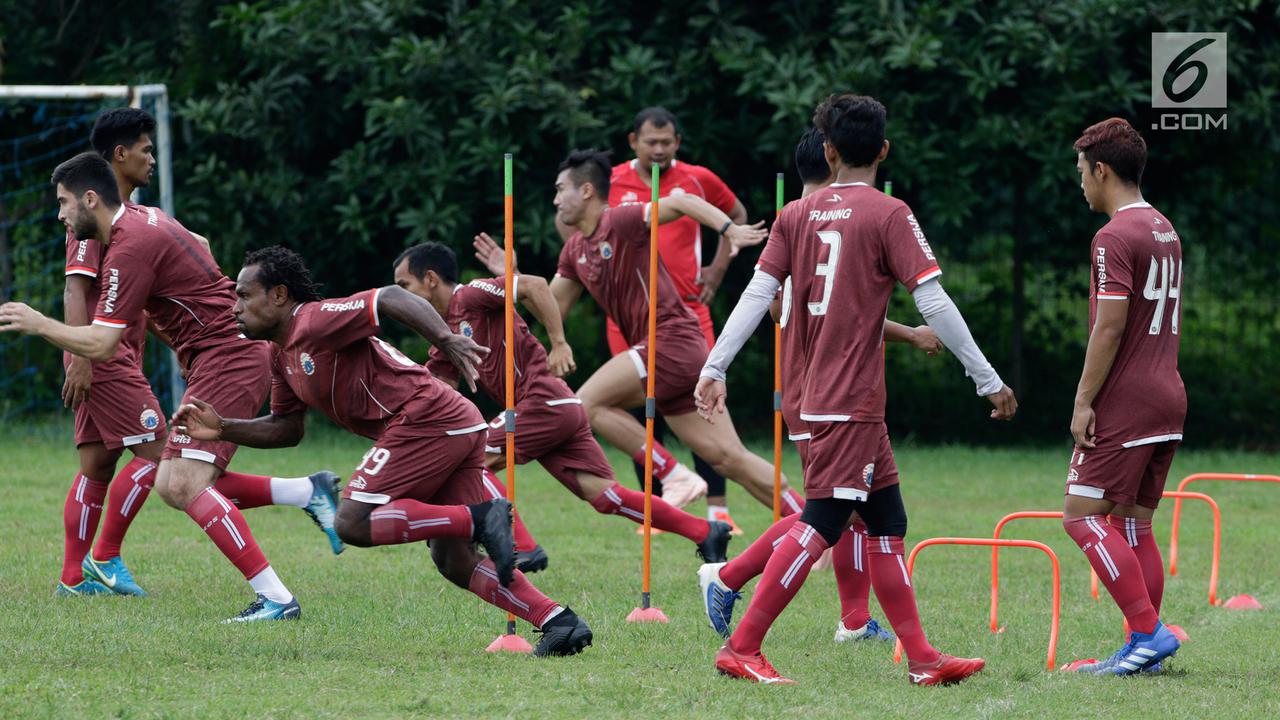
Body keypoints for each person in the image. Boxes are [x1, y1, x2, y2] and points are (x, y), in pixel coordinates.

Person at [695, 95, 1017, 685]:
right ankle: (741, 647)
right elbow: (932, 300)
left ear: (829, 151)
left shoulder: (795, 214)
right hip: (846, 400)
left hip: (834, 398)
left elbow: (758, 295)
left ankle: (922, 660)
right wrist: (985, 377)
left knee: (887, 523)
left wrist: (716, 366)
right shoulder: (890, 213)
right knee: (821, 522)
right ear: (884, 150)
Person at [172, 246, 593, 656]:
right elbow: (287, 428)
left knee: (352, 522)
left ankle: (480, 518)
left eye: (244, 296)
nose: (235, 308)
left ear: (279, 295)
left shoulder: (313, 319)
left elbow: (389, 297)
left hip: (426, 419)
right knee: (454, 560)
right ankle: (559, 622)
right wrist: (223, 428)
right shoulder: (279, 354)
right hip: (451, 422)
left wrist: (445, 339)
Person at [0, 152, 336, 621]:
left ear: (90, 198)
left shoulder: (128, 247)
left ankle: (277, 597)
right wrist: (194, 324)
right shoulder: (143, 219)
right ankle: (304, 497)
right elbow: (198, 243)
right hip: (219, 353)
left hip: (229, 356)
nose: (59, 215)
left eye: (62, 203)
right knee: (167, 478)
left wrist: (39, 324)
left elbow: (101, 343)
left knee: (179, 480)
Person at [698, 127, 944, 645]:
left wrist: (902, 334)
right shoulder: (807, 223)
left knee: (855, 510)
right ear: (835, 160)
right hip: (821, 393)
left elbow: (839, 313)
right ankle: (730, 579)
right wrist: (911, 334)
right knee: (829, 512)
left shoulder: (810, 218)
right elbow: (790, 309)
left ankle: (855, 621)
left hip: (826, 390)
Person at [475, 150, 804, 520]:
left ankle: (673, 475)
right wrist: (512, 278)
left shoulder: (620, 219)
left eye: (560, 190)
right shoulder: (574, 251)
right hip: (667, 355)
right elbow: (550, 308)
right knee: (730, 459)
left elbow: (684, 201)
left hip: (672, 341)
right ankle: (814, 526)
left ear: (586, 190)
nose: (555, 200)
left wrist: (730, 230)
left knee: (587, 404)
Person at [392, 242, 732, 572]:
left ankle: (523, 547)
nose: (401, 297)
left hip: (541, 401)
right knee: (605, 496)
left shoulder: (469, 295)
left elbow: (535, 286)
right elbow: (438, 389)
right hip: (559, 405)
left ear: (431, 279)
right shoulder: (446, 334)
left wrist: (559, 343)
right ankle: (706, 532)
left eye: (404, 286)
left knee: (472, 462)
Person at [1060, 118, 1183, 675]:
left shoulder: (1112, 236)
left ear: (1102, 170)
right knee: (1133, 524)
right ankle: (1142, 647)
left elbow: (1109, 327)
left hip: (1128, 399)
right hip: (1168, 394)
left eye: (1082, 172)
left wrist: (1084, 401)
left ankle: (1147, 632)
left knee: (1081, 517)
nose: (1081, 183)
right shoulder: (1163, 227)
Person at [603, 107, 747, 523]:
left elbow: (737, 215)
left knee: (704, 401)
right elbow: (579, 226)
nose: (659, 149)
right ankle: (658, 511)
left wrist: (717, 269)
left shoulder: (698, 179)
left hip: (688, 312)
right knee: (639, 411)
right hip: (629, 317)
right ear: (634, 142)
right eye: (651, 142)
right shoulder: (610, 181)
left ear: (678, 143)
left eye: (667, 142)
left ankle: (718, 509)